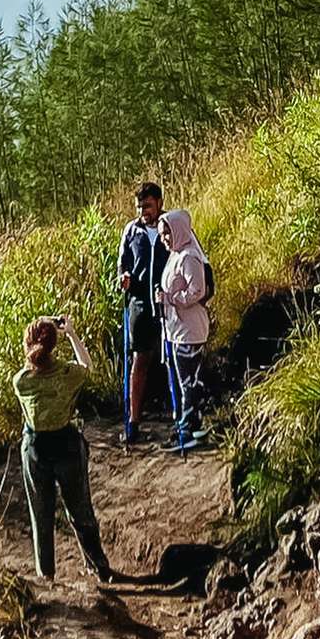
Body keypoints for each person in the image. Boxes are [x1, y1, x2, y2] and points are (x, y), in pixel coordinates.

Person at [12, 315, 117, 583]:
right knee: (80, 510)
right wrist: (71, 332)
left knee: (41, 516)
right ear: (54, 344)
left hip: (35, 449)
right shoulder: (68, 375)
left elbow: (33, 366)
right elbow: (87, 365)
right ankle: (99, 567)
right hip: (67, 446)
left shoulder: (21, 382)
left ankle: (46, 576)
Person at [115, 182, 167, 444]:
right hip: (139, 304)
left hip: (168, 302)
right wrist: (123, 276)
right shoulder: (131, 230)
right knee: (139, 359)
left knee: (173, 357)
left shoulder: (169, 226)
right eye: (139, 207)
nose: (143, 211)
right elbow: (123, 262)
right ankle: (134, 421)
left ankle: (182, 415)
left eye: (147, 205)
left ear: (159, 202)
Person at [156, 209, 211, 451]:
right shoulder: (175, 255)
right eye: (161, 234)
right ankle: (189, 426)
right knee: (184, 382)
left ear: (178, 230)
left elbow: (197, 291)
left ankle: (188, 430)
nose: (164, 238)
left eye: (167, 233)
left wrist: (171, 298)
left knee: (189, 383)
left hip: (189, 330)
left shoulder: (189, 256)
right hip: (176, 329)